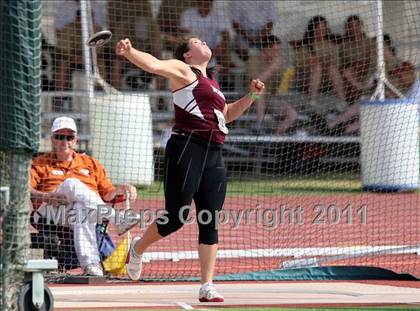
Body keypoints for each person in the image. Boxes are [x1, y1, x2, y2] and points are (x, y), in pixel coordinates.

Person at [116, 36, 264, 302]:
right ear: (187, 55)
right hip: (187, 147)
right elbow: (154, 65)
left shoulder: (213, 85)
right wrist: (130, 52)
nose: (203, 42)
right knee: (177, 216)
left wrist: (251, 96)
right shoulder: (184, 71)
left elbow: (226, 114)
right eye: (196, 41)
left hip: (214, 154)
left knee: (210, 218)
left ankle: (207, 286)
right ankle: (137, 248)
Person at [30, 117, 139, 276]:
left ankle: (91, 265)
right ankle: (118, 219)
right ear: (52, 139)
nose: (64, 141)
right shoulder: (39, 163)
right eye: (60, 137)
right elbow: (25, 190)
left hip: (80, 213)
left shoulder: (91, 163)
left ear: (76, 140)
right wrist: (47, 197)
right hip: (48, 213)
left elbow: (108, 194)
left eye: (69, 137)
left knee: (82, 210)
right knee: (71, 184)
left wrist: (122, 189)